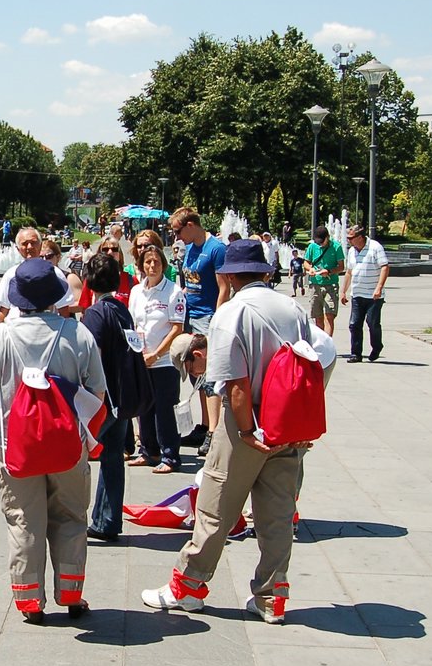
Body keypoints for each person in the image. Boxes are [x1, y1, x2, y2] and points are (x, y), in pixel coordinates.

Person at [142, 239, 315, 624]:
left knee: (215, 511)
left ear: (228, 275)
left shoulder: (230, 314)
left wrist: (247, 430)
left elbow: (234, 382)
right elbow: (309, 365)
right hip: (287, 422)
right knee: (276, 515)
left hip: (246, 424)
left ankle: (187, 587)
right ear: (266, 272)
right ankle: (272, 598)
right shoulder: (292, 307)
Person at [0, 258, 105, 625]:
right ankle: (72, 593)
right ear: (56, 296)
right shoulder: (78, 334)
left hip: (16, 447)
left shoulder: (0, 335)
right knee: (72, 517)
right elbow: (97, 392)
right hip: (67, 447)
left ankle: (30, 601)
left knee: (24, 522)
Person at [81, 252, 136, 543]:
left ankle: (74, 517)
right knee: (113, 459)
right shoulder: (121, 309)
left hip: (102, 398)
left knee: (79, 456)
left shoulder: (95, 313)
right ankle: (108, 520)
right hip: (123, 395)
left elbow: (94, 356)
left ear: (89, 283)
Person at [169, 207, 225, 458]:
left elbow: (223, 289)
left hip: (207, 317)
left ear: (191, 225)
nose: (177, 237)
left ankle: (214, 431)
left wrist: (218, 321)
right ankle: (202, 426)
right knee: (196, 375)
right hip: (189, 315)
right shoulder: (190, 248)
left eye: (178, 231)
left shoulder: (216, 249)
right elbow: (187, 281)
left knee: (209, 376)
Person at [128, 244, 186, 473]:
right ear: (141, 265)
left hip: (163, 361)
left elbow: (176, 328)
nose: (152, 266)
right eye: (148, 262)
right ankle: (148, 450)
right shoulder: (136, 292)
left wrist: (156, 354)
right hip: (142, 359)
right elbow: (134, 324)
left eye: (157, 262)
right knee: (144, 408)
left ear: (164, 265)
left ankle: (170, 455)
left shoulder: (173, 292)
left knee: (165, 410)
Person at [341, 223, 389, 362]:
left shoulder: (375, 247)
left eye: (351, 238)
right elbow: (349, 272)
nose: (349, 240)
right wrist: (344, 291)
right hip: (357, 294)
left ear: (360, 237)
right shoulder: (351, 251)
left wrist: (379, 287)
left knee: (372, 323)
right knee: (354, 324)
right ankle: (356, 353)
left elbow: (385, 267)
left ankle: (377, 346)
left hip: (373, 295)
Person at [304, 224, 345, 337]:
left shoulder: (336, 247)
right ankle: (320, 343)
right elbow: (306, 262)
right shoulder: (312, 247)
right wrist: (310, 269)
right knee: (318, 317)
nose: (320, 244)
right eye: (318, 241)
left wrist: (329, 271)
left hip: (331, 284)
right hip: (315, 284)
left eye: (322, 241)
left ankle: (328, 344)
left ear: (328, 237)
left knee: (329, 316)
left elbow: (341, 267)